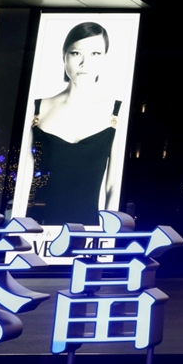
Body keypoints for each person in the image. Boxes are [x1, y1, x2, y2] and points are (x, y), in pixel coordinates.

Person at [25, 22, 123, 226]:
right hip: (39, 225)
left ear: (104, 57)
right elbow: (25, 176)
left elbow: (113, 185)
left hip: (88, 229)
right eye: (76, 53)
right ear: (64, 56)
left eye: (95, 53)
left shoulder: (115, 112)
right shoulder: (37, 109)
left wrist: (109, 234)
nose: (85, 63)